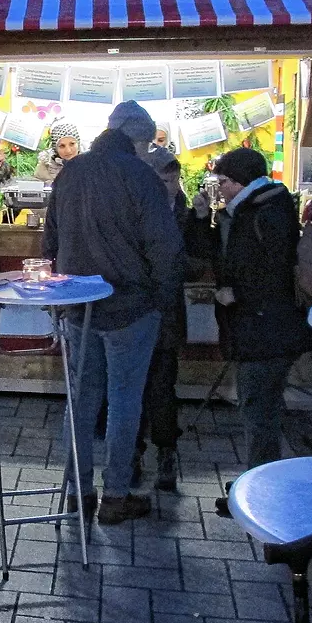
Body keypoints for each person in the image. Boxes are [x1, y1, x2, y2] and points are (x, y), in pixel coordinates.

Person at [43, 128, 184, 524]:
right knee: (125, 402)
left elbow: (49, 240)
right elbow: (164, 245)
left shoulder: (70, 173)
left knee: (82, 401)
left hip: (78, 307)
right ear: (134, 141)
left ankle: (77, 492)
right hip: (130, 307)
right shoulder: (140, 175)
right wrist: (161, 298)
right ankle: (116, 496)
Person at [196, 148, 312, 478]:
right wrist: (202, 217)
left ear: (238, 181)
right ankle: (260, 480)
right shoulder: (254, 206)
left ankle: (262, 487)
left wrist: (238, 293)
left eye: (222, 181)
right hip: (257, 325)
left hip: (266, 328)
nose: (219, 187)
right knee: (258, 408)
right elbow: (218, 252)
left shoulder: (266, 210)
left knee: (259, 409)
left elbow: (274, 268)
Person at [134, 150, 192, 492]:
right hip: (137, 309)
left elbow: (194, 260)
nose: (168, 186)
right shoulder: (135, 211)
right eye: (161, 180)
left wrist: (199, 221)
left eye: (172, 180)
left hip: (166, 312)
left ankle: (166, 453)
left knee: (161, 388)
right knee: (134, 389)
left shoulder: (184, 212)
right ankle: (135, 453)